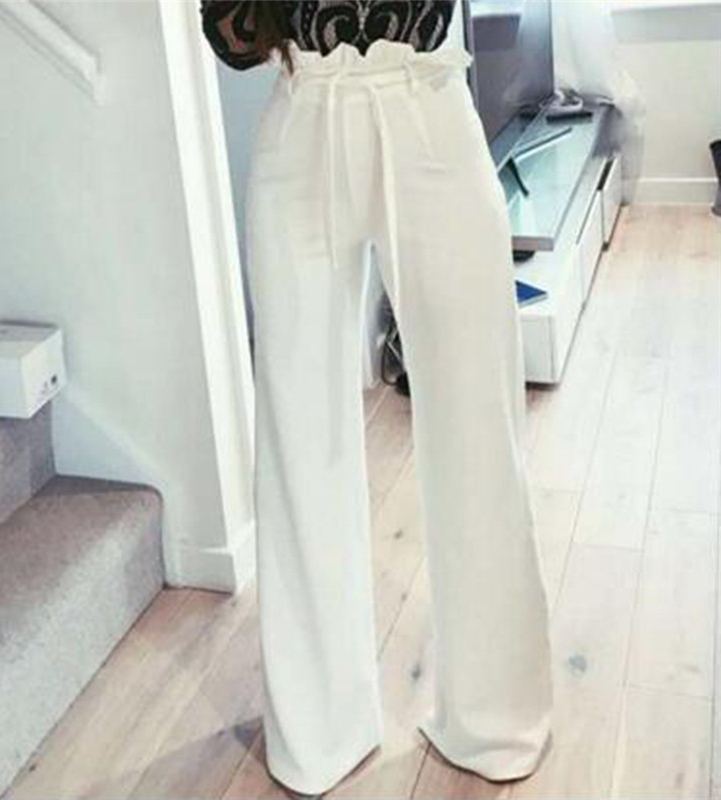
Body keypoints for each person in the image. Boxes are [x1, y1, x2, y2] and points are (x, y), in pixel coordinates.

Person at [199, 1, 555, 795]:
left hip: (429, 108)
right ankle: (319, 730)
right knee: (298, 435)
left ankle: (495, 716)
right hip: (304, 119)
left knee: (478, 423)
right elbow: (228, 38)